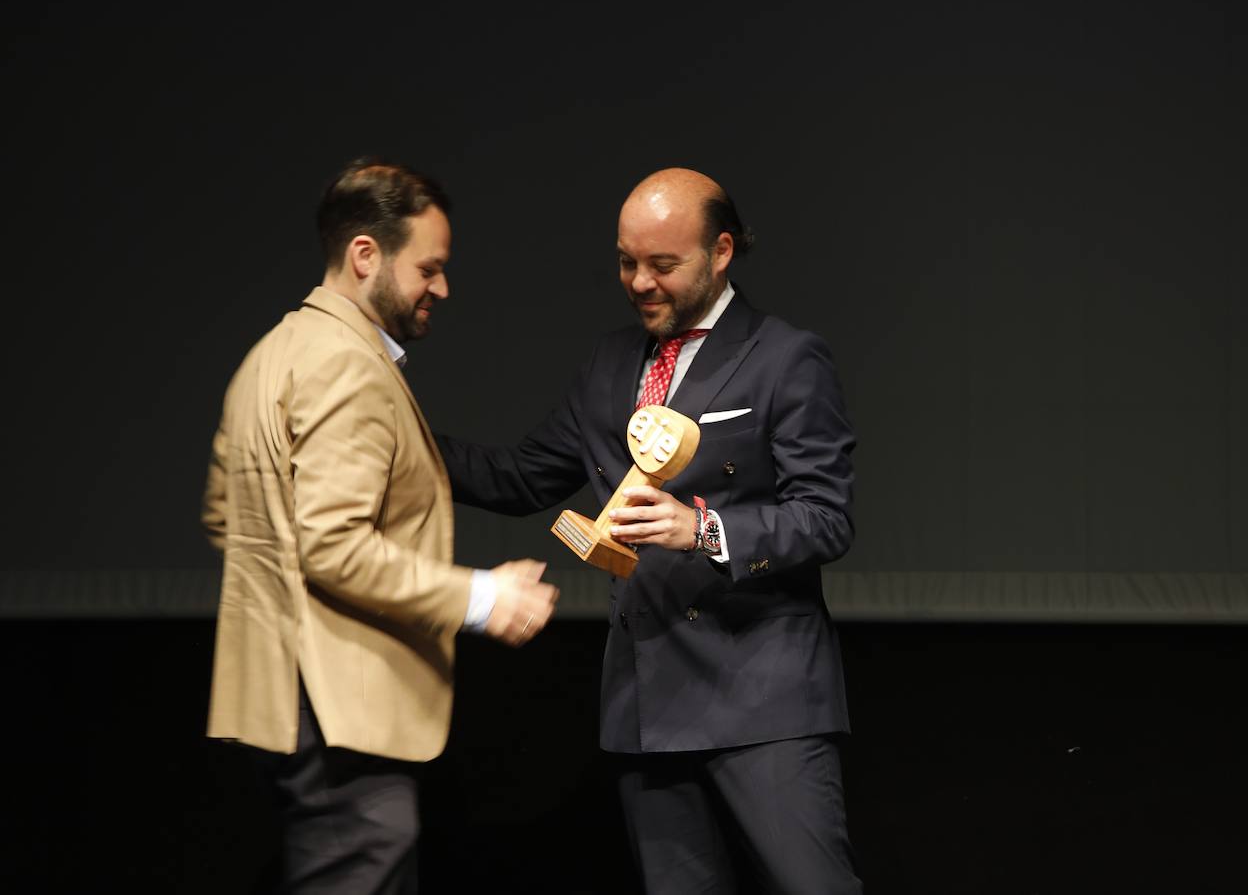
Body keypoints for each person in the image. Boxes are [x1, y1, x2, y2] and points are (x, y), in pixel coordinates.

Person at [439, 167, 862, 893]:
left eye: (663, 264)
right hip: (648, 699)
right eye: (627, 262)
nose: (639, 281)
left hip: (763, 694)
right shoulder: (609, 363)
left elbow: (826, 519)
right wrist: (393, 433)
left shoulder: (785, 358)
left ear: (721, 252)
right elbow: (519, 478)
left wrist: (702, 528)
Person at [201, 158, 559, 894]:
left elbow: (226, 517)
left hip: (287, 699)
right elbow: (332, 545)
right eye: (429, 267)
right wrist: (485, 598)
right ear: (366, 254)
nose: (442, 286)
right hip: (336, 705)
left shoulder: (272, 353)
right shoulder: (346, 366)